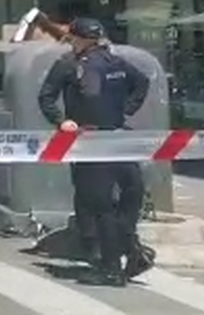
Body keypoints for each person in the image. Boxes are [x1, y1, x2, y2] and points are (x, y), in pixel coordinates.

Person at [37, 17, 155, 286]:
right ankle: (128, 253)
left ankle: (113, 266)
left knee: (105, 203)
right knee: (123, 198)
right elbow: (47, 97)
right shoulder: (77, 64)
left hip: (101, 139)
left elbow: (142, 83)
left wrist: (125, 110)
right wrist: (61, 121)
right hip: (100, 139)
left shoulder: (100, 62)